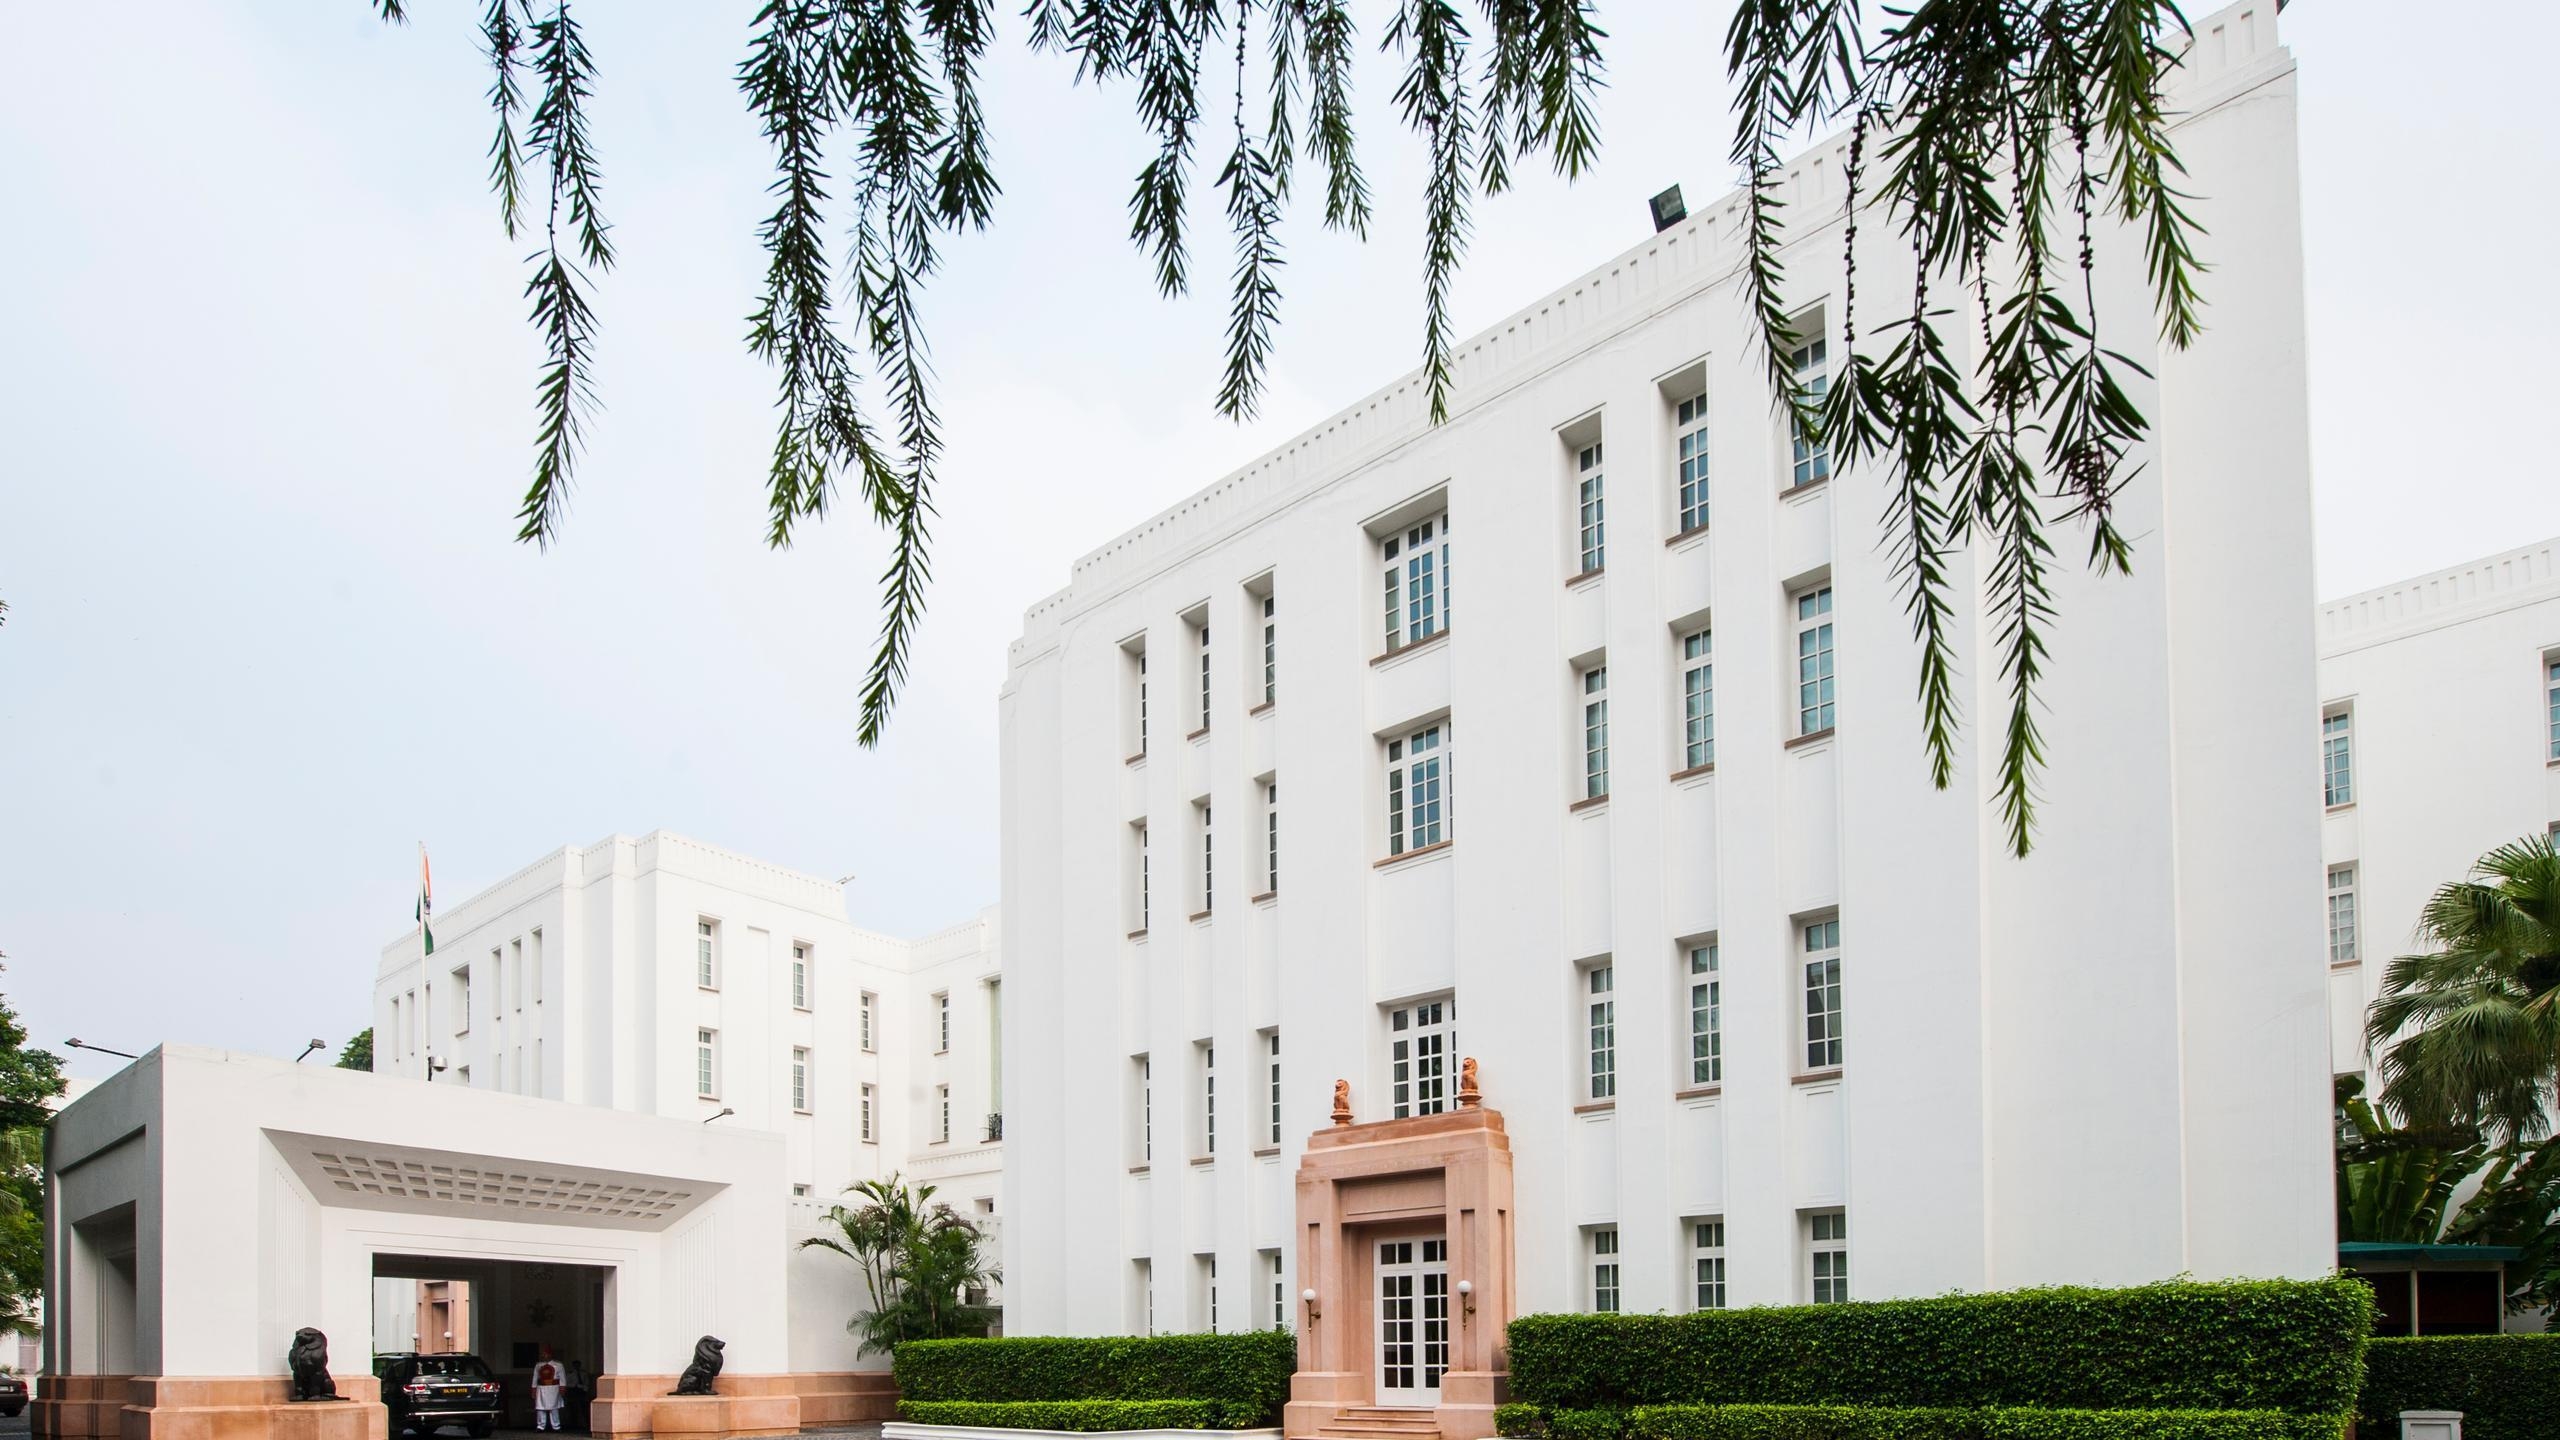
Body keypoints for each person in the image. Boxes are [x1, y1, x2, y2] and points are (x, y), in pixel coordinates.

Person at [530, 1346, 566, 1432]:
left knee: (554, 1408)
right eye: (543, 1354)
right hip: (541, 1389)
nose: (543, 1355)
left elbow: (562, 1378)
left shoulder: (558, 1365)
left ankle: (556, 1426)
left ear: (550, 1355)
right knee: (540, 1407)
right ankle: (540, 1426)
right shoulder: (538, 1365)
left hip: (553, 1389)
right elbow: (535, 1378)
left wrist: (562, 1388)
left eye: (545, 1354)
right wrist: (533, 1389)